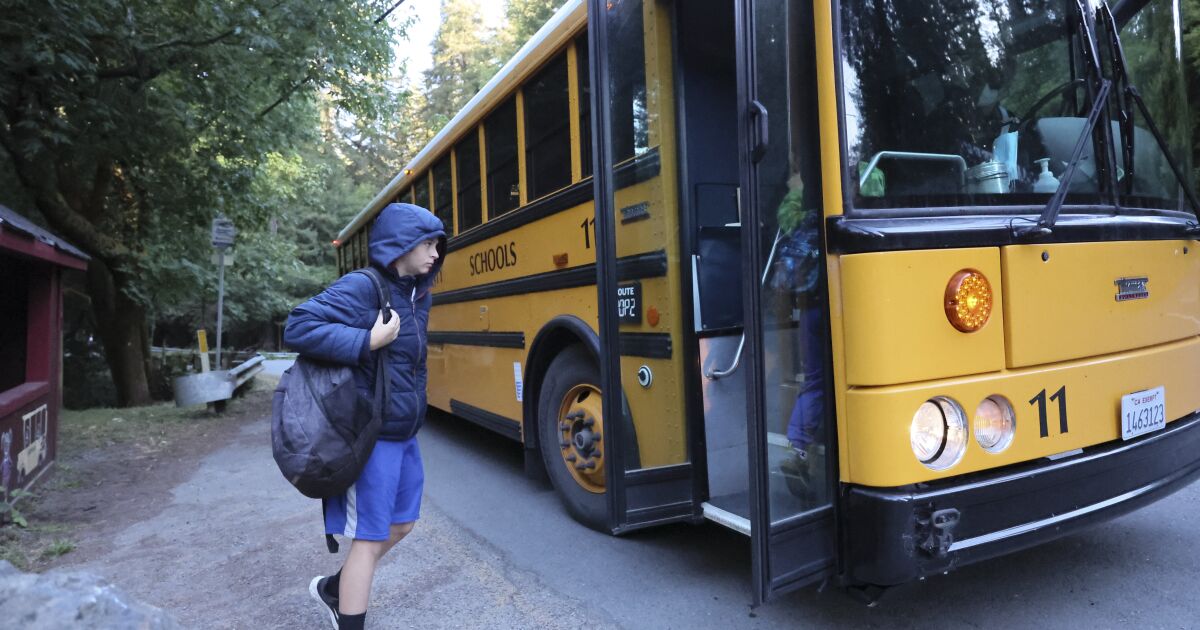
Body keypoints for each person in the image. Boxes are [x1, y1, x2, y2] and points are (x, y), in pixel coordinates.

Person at [283, 202, 445, 630]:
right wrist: (366, 340)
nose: (436, 253)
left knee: (403, 524)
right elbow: (298, 326)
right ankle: (348, 614)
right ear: (402, 244)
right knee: (369, 538)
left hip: (405, 432)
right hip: (372, 434)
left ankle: (335, 588)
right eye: (428, 244)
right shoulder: (363, 287)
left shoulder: (417, 294)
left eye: (438, 245)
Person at [769, 177, 827, 500]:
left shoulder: (799, 213)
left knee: (814, 380)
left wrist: (796, 188)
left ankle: (799, 448)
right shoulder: (866, 176)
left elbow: (785, 217)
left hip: (808, 307)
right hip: (836, 308)